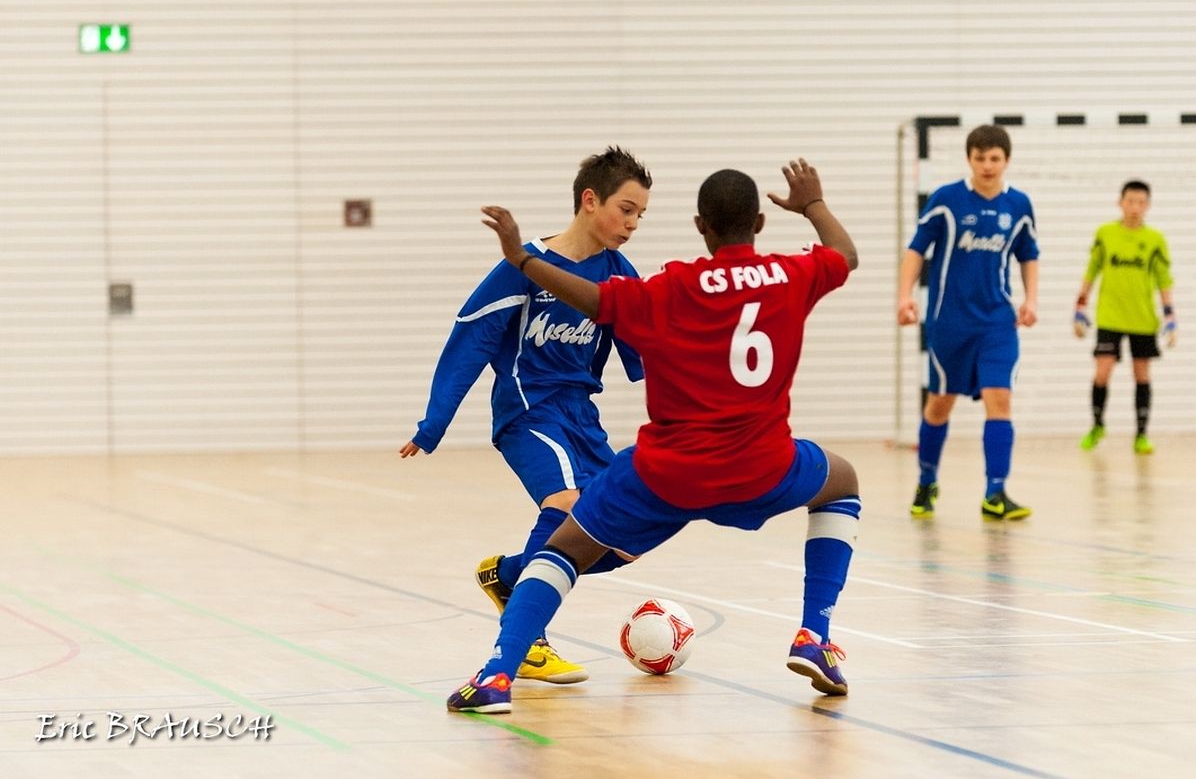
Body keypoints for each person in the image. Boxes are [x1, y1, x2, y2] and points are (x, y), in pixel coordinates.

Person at [445, 158, 862, 715]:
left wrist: (523, 259)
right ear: (759, 224)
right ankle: (814, 635)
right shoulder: (791, 275)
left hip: (667, 476)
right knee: (842, 481)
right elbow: (845, 255)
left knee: (563, 549)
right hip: (763, 469)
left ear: (700, 226)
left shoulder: (669, 288)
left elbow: (592, 300)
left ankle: (497, 675)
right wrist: (812, 203)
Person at [400, 146, 651, 685]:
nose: (633, 224)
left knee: (625, 538)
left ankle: (510, 575)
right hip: (528, 413)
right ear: (590, 200)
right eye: (626, 210)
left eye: (640, 215)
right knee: (566, 506)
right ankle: (527, 643)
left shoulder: (618, 275)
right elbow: (470, 340)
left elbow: (649, 350)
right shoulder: (525, 265)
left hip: (582, 417)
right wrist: (433, 423)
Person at [896, 124, 1039, 521]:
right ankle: (927, 480)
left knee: (1000, 398)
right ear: (969, 160)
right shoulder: (947, 200)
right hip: (950, 322)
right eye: (980, 158)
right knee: (939, 404)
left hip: (997, 322)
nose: (987, 165)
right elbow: (916, 250)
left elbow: (1028, 254)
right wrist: (905, 296)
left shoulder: (1019, 205)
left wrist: (1031, 300)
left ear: (1006, 161)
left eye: (995, 158)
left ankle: (996, 492)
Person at [1073, 179, 1175, 455]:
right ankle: (1097, 425)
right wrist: (1079, 308)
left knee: (1141, 374)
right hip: (1110, 317)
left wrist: (1170, 317)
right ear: (1120, 202)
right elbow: (1091, 271)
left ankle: (1141, 434)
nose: (1135, 207)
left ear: (1148, 205)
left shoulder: (1155, 239)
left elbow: (1164, 280)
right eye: (1130, 201)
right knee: (1102, 370)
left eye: (1141, 203)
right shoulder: (1105, 234)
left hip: (1142, 319)